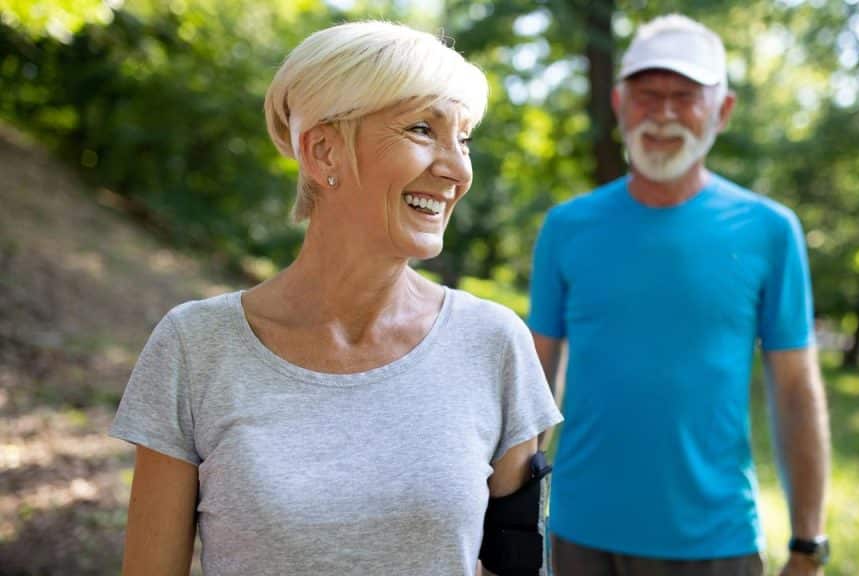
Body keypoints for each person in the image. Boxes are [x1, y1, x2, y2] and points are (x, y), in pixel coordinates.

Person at [110, 21, 562, 576]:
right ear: (322, 151)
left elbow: (516, 566)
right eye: (423, 129)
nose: (457, 168)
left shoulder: (495, 343)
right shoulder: (195, 346)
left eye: (463, 139)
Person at [528, 14, 831, 576]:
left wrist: (809, 543)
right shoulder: (566, 227)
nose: (663, 114)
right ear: (619, 104)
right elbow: (535, 382)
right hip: (576, 537)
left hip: (715, 543)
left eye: (685, 96)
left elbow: (795, 391)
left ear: (723, 110)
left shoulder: (770, 230)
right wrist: (512, 525)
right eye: (647, 95)